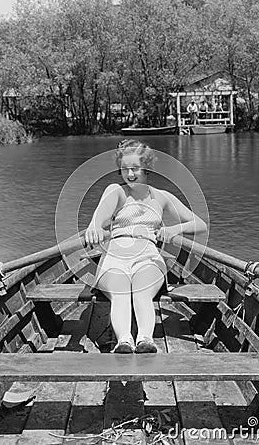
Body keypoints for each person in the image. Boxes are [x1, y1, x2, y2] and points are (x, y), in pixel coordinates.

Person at [85, 139, 207, 354]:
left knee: (141, 292)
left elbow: (200, 224)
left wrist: (174, 230)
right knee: (122, 293)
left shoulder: (162, 197)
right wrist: (94, 227)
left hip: (148, 257)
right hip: (115, 257)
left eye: (135, 169)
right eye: (124, 169)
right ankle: (124, 341)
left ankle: (145, 340)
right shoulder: (116, 191)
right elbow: (98, 220)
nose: (129, 174)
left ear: (147, 167)